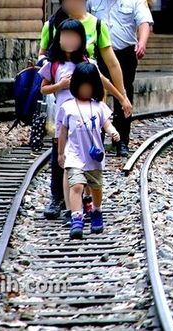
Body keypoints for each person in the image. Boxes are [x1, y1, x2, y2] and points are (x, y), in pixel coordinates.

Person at [38, 0, 132, 219]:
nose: (74, 3)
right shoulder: (52, 25)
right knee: (61, 153)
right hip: (62, 107)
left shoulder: (96, 26)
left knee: (89, 154)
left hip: (90, 104)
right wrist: (55, 77)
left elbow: (109, 66)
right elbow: (41, 61)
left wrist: (122, 97)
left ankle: (87, 201)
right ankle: (58, 199)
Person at [88, 0, 152, 157]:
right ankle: (96, 139)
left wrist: (141, 42)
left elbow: (144, 22)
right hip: (99, 53)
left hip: (124, 54)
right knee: (96, 96)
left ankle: (122, 141)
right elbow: (82, 19)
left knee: (123, 96)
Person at [56, 62, 119, 239]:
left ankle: (97, 211)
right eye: (82, 86)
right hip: (75, 155)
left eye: (89, 87)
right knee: (76, 186)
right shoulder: (67, 107)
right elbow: (63, 132)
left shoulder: (99, 107)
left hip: (94, 157)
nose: (85, 90)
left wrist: (113, 132)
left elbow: (106, 124)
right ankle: (77, 218)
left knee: (96, 188)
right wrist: (61, 153)